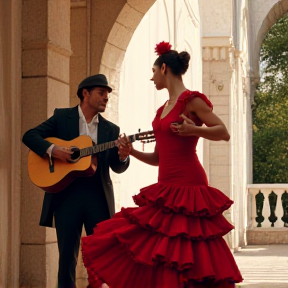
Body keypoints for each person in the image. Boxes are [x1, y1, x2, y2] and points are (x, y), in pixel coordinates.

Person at [81, 42, 243, 288]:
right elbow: (158, 158)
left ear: (164, 68)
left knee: (189, 250)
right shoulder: (161, 111)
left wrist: (193, 130)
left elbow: (223, 132)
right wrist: (131, 151)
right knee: (159, 251)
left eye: (154, 71)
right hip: (166, 186)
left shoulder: (191, 100)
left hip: (190, 186)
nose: (152, 77)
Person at [22, 74, 131, 288]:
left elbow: (116, 168)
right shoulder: (62, 118)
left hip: (97, 198)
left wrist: (123, 155)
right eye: (101, 93)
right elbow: (29, 135)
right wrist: (55, 151)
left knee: (100, 258)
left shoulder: (111, 130)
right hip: (66, 197)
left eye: (108, 95)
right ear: (85, 93)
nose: (106, 98)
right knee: (67, 260)